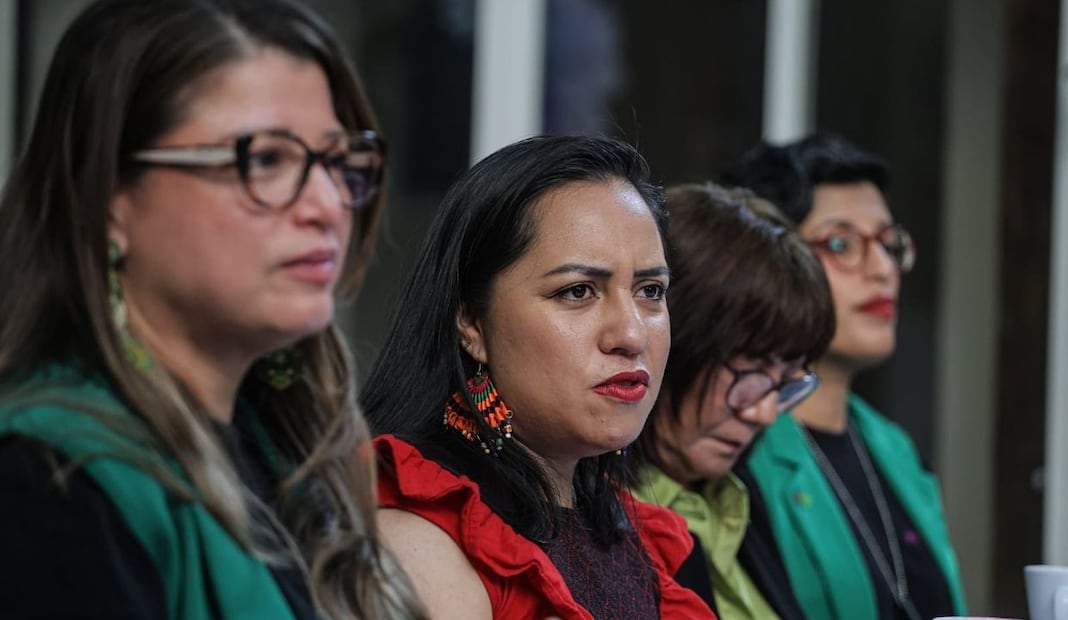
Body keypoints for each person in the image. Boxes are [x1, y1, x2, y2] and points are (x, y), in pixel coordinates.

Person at [0, 1, 424, 618]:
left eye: (337, 162)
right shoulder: (44, 478)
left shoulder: (284, 441)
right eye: (266, 160)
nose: (328, 203)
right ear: (109, 199)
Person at [360, 135, 716, 619]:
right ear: (471, 323)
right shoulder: (417, 534)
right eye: (577, 292)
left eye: (650, 290)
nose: (630, 333)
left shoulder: (638, 534)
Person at [726, 133, 967, 619]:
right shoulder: (732, 443)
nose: (883, 270)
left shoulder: (896, 449)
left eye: (888, 243)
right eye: (842, 243)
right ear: (771, 265)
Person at [628, 182, 834, 619]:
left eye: (784, 381)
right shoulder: (595, 523)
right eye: (750, 372)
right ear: (671, 338)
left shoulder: (740, 500)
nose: (763, 412)